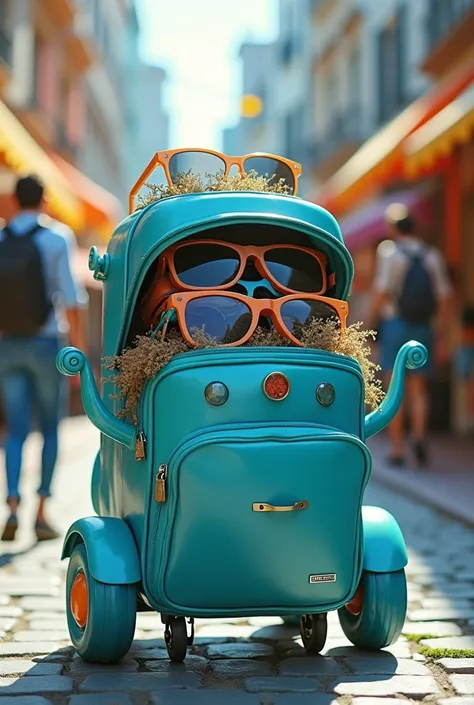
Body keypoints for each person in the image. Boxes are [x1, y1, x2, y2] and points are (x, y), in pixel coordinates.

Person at [0, 174, 87, 541]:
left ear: (15, 200)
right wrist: (78, 353)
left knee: (15, 430)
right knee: (51, 427)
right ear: (45, 200)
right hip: (47, 343)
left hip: (7, 345)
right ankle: (41, 512)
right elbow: (71, 297)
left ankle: (13, 505)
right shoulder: (56, 237)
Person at [366, 203, 452, 468]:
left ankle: (397, 449)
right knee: (419, 387)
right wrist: (440, 332)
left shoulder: (389, 252)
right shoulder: (432, 255)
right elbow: (444, 297)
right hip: (422, 325)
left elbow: (382, 291)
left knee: (394, 386)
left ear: (394, 229)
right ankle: (419, 436)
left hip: (395, 324)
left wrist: (368, 323)